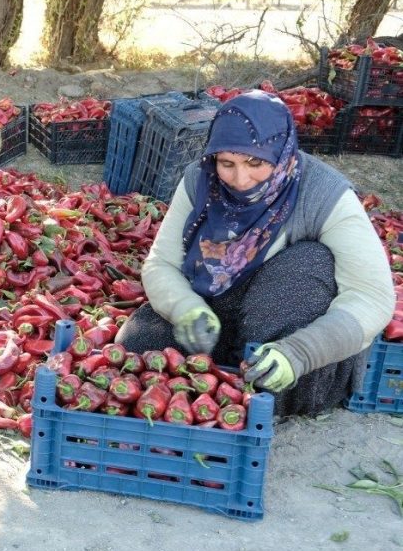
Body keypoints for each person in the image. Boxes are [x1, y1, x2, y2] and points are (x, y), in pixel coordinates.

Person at [116, 90, 394, 417]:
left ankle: (274, 386)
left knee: (309, 259)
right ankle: (225, 382)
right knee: (136, 345)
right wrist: (185, 308)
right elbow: (161, 264)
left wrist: (301, 352)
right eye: (227, 163)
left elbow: (373, 297)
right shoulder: (200, 180)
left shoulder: (324, 194)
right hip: (223, 303)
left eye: (255, 163)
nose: (241, 179)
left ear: (281, 152)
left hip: (289, 319)